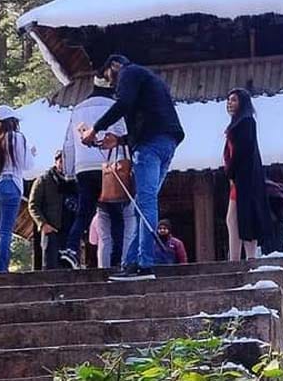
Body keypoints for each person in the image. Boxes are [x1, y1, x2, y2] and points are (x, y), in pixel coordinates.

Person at [80, 54, 184, 282]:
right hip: (166, 142)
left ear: (114, 66)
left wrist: (95, 129)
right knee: (142, 205)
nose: (111, 84)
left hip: (149, 147)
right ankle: (131, 261)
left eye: (108, 77)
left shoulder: (128, 72)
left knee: (145, 202)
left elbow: (123, 104)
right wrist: (119, 140)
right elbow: (148, 121)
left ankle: (144, 263)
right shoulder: (149, 81)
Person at [60, 78, 127, 270]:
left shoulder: (78, 109)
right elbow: (121, 135)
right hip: (109, 165)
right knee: (116, 214)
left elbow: (69, 144)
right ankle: (117, 259)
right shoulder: (114, 107)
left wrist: (69, 173)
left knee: (84, 212)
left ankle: (72, 248)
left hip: (84, 167)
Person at [0, 105, 34, 273]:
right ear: (12, 122)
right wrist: (31, 153)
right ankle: (1, 269)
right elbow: (27, 165)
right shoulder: (16, 138)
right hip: (10, 185)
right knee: (5, 231)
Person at [223, 89, 274, 261]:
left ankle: (246, 258)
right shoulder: (238, 123)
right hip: (239, 178)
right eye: (229, 100)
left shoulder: (246, 122)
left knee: (242, 217)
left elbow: (242, 150)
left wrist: (231, 169)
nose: (230, 103)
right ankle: (237, 258)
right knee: (234, 218)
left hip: (245, 178)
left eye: (234, 100)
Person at [28, 151, 78, 270]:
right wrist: (43, 224)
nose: (64, 165)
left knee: (70, 266)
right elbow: (33, 205)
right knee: (50, 265)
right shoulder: (43, 180)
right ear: (56, 162)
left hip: (70, 229)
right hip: (51, 228)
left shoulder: (75, 180)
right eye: (61, 161)